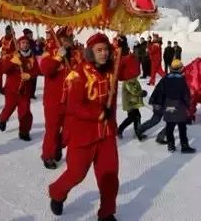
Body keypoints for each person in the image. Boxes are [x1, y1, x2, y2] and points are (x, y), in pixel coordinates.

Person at [48, 32, 139, 220]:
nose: (104, 53)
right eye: (99, 50)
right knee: (76, 173)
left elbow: (132, 71)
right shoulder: (78, 73)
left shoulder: (112, 70)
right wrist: (97, 113)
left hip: (106, 134)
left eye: (106, 49)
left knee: (109, 176)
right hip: (83, 135)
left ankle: (106, 213)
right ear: (90, 52)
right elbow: (75, 106)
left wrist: (127, 51)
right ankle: (57, 193)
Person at [39, 27, 81, 169]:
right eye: (65, 38)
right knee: (52, 130)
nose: (69, 40)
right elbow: (45, 69)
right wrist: (57, 58)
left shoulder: (76, 54)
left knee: (69, 130)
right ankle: (48, 156)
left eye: (70, 37)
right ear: (59, 39)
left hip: (71, 101)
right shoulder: (49, 52)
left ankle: (58, 146)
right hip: (53, 101)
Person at [0, 35, 40, 140]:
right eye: (23, 43)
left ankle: (24, 132)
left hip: (25, 91)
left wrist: (30, 75)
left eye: (26, 43)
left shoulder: (32, 58)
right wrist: (12, 62)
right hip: (12, 90)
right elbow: (4, 69)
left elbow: (37, 71)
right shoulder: (12, 56)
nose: (25, 45)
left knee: (25, 112)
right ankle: (3, 119)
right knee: (8, 109)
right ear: (19, 44)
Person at [151, 59, 196, 154]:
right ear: (180, 69)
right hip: (179, 106)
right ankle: (184, 146)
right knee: (182, 128)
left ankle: (171, 146)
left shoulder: (165, 79)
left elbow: (158, 92)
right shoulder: (181, 80)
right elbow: (186, 95)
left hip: (168, 106)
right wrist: (188, 105)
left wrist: (157, 103)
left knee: (170, 127)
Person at [117, 63, 148, 140]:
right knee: (132, 118)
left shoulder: (134, 79)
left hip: (134, 102)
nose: (136, 75)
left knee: (137, 117)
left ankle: (137, 131)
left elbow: (137, 89)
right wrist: (141, 93)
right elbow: (133, 91)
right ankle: (120, 130)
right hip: (129, 103)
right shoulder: (128, 81)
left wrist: (141, 92)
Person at [0, 25, 15, 94]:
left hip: (9, 59)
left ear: (11, 31)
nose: (7, 32)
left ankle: (6, 87)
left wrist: (9, 55)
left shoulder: (13, 40)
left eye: (9, 31)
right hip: (2, 58)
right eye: (6, 30)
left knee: (9, 73)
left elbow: (16, 51)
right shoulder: (3, 38)